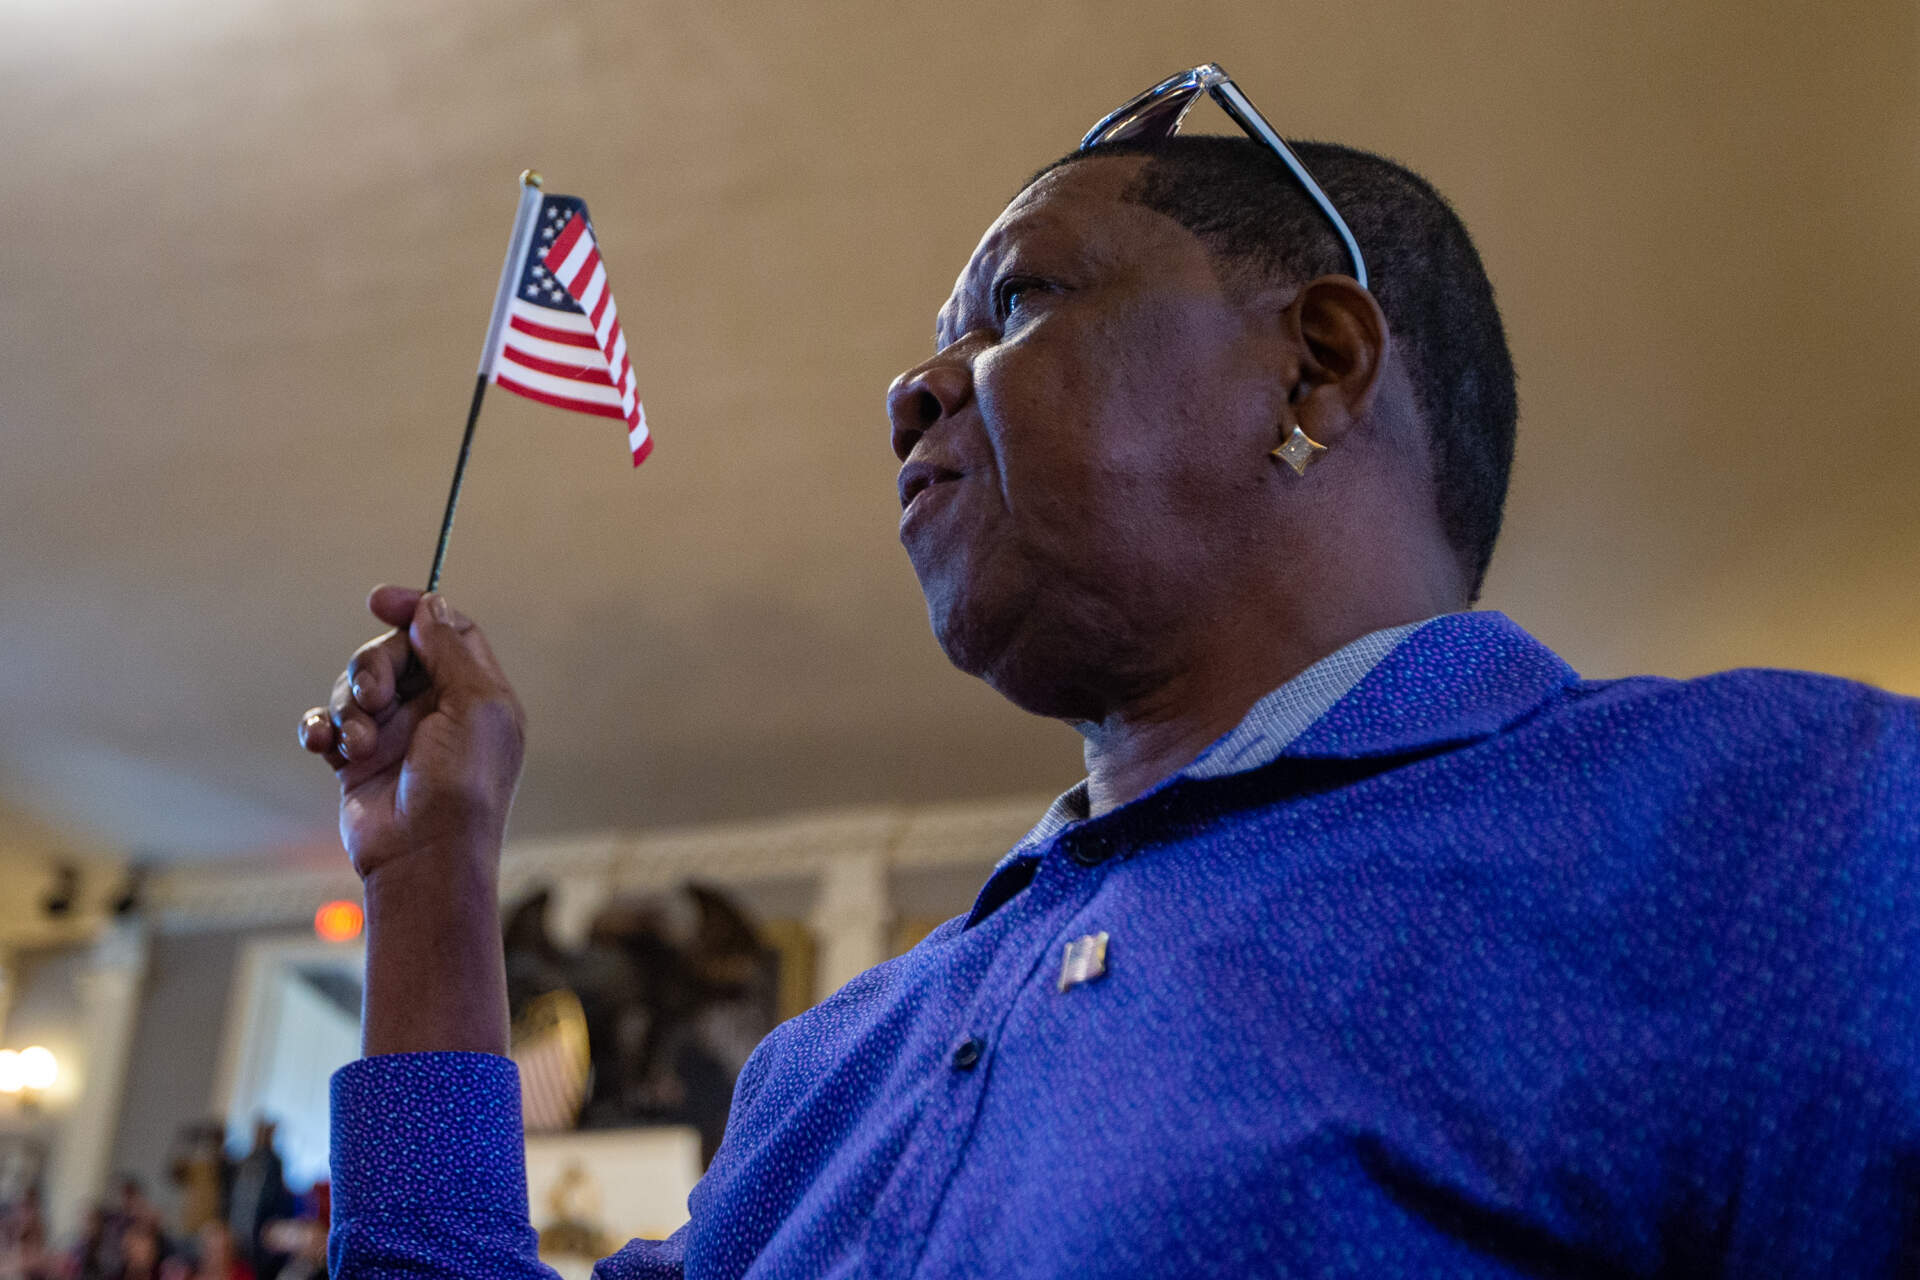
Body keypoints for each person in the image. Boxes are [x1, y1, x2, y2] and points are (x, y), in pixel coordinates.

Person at [300, 70, 1920, 1277]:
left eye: (1018, 301)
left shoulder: (1787, 828)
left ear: (1319, 362)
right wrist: (435, 875)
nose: (911, 390)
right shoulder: (830, 1066)